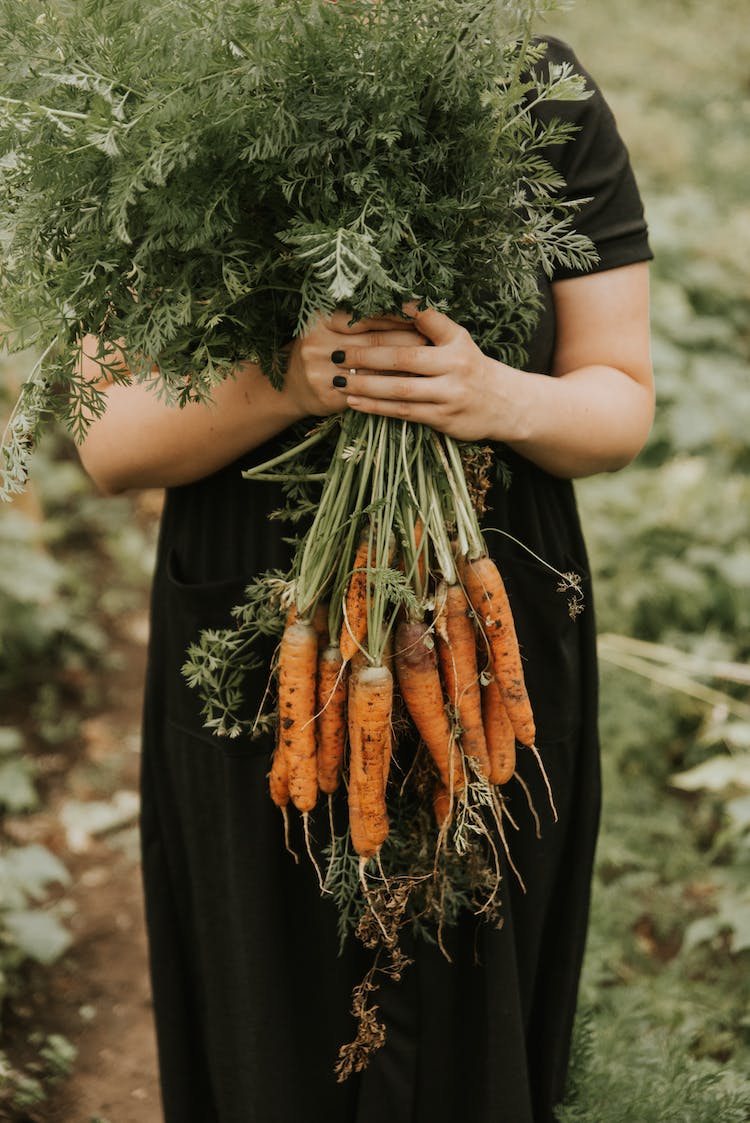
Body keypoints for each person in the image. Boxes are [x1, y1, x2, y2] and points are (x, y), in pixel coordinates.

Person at [77, 36, 654, 1123]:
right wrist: (289, 386)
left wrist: (493, 397)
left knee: (477, 1021)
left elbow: (619, 398)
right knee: (270, 1018)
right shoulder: (176, 94)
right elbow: (109, 442)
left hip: (485, 643)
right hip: (259, 636)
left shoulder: (536, 90)